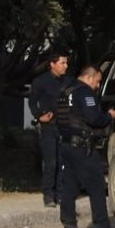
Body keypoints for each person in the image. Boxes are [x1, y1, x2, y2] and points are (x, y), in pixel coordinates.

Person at [56, 65, 115, 228]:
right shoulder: (85, 93)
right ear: (88, 77)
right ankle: (101, 227)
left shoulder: (65, 90)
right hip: (82, 146)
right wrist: (110, 116)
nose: (97, 85)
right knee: (96, 186)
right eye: (97, 81)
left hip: (65, 144)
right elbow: (94, 119)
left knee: (69, 187)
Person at [29, 52, 71, 207]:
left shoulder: (68, 81)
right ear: (52, 64)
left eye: (66, 63)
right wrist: (40, 116)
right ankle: (48, 195)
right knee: (51, 162)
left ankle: (60, 195)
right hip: (49, 126)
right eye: (62, 63)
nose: (65, 66)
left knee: (63, 161)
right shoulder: (40, 81)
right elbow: (32, 101)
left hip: (65, 126)